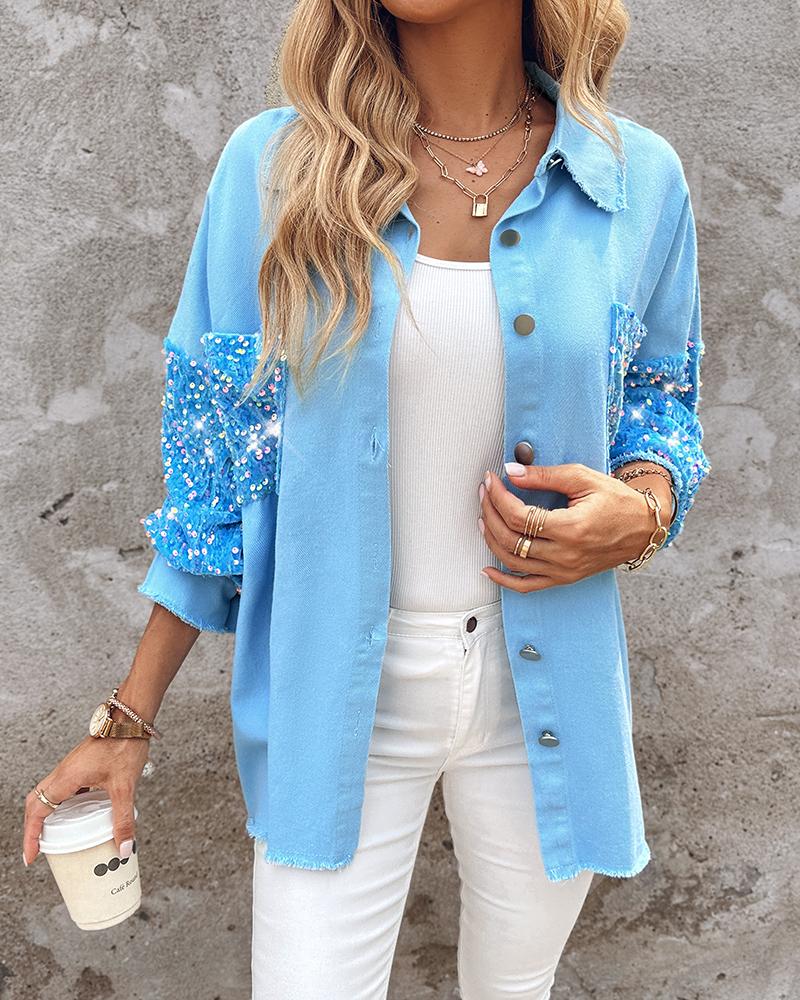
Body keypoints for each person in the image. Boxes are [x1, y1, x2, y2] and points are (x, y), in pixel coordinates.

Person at [22, 0, 711, 996]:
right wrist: (125, 720)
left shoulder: (634, 180)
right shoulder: (273, 171)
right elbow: (216, 483)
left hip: (544, 693)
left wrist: (641, 512)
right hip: (339, 699)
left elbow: (657, 401)